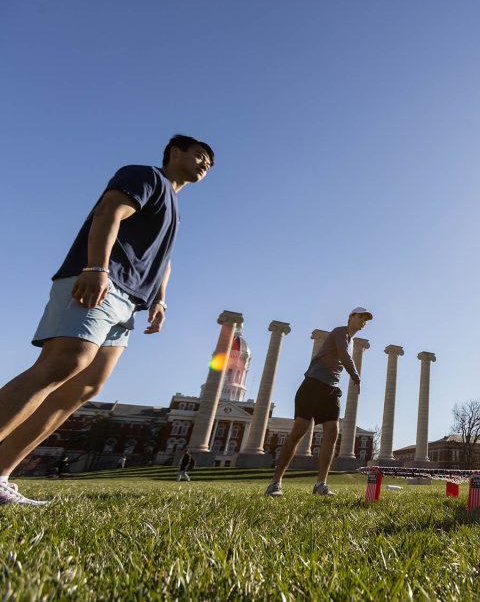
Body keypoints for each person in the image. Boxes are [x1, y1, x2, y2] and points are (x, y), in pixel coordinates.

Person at [0, 135, 214, 507]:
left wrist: (160, 300)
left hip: (129, 301)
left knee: (84, 388)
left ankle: (2, 473)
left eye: (209, 164)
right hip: (102, 280)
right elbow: (109, 212)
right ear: (175, 153)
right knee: (63, 363)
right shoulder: (145, 176)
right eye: (200, 156)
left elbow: (162, 260)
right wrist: (96, 267)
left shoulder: (175, 207)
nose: (204, 165)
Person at [265, 308, 372, 497]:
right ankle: (275, 483)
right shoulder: (340, 331)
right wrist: (356, 376)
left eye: (366, 319)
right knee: (298, 431)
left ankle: (321, 484)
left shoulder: (352, 340)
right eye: (360, 316)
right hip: (313, 384)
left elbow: (343, 359)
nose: (363, 320)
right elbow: (344, 356)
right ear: (350, 317)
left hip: (331, 389)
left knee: (332, 432)